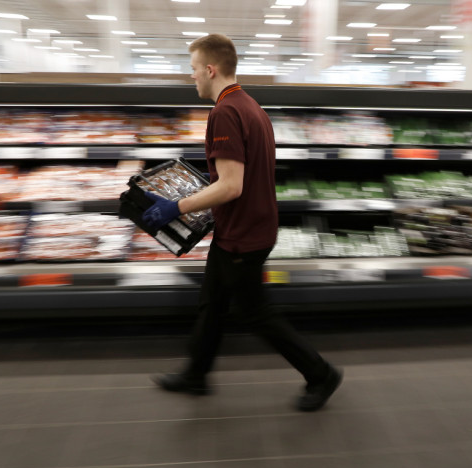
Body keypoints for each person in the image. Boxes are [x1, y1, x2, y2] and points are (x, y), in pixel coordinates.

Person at [141, 34, 342, 412]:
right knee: (213, 302)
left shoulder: (225, 112)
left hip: (243, 234)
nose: (193, 77)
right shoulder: (250, 105)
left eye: (194, 69)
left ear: (211, 69)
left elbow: (232, 186)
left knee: (255, 312)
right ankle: (196, 374)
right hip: (248, 225)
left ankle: (320, 373)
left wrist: (177, 207)